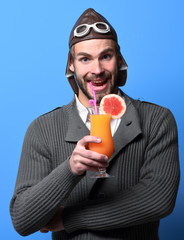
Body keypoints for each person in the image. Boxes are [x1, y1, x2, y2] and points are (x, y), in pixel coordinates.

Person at [10, 8, 180, 240]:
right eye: (85, 59)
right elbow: (22, 220)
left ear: (119, 60)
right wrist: (70, 169)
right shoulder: (42, 129)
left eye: (106, 56)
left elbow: (158, 200)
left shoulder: (157, 120)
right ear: (71, 64)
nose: (97, 70)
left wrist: (69, 218)